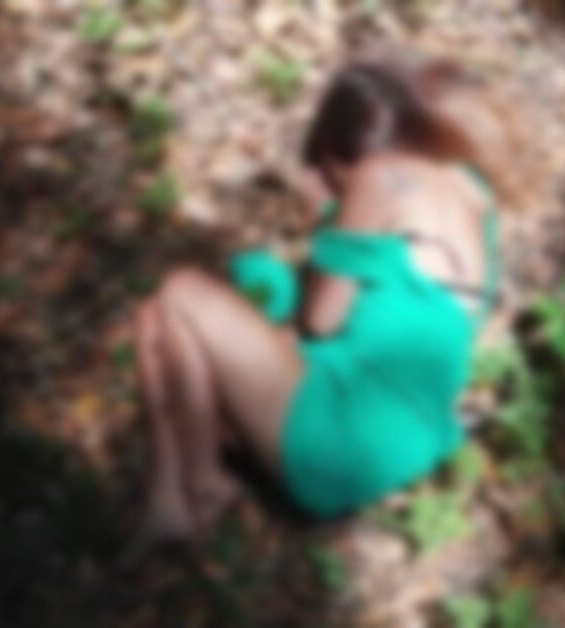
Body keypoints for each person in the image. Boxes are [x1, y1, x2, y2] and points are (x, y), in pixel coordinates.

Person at [130, 54, 527, 548]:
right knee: (158, 322)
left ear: (336, 154)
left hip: (345, 436)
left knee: (179, 290)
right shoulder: (473, 188)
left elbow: (320, 319)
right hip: (408, 443)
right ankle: (170, 496)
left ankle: (200, 482)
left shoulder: (379, 176)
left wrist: (326, 219)